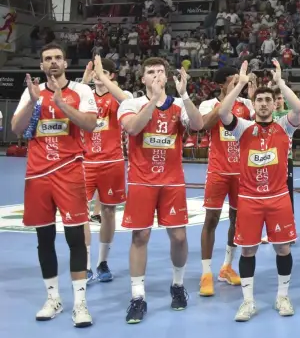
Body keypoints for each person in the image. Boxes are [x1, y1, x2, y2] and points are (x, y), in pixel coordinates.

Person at [10, 43, 98, 327]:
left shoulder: (81, 91)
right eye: (47, 59)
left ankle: (80, 304)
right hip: (37, 175)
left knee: (75, 240)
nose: (53, 62)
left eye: (58, 58)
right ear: (41, 65)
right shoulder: (31, 91)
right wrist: (35, 102)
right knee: (44, 239)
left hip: (69, 171)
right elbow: (16, 128)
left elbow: (90, 124)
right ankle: (53, 299)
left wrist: (61, 105)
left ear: (65, 62)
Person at [118, 57, 205, 323]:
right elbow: (133, 128)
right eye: (150, 72)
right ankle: (137, 297)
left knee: (179, 237)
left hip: (172, 181)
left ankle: (178, 286)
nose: (156, 75)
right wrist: (154, 101)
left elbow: (199, 125)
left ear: (167, 76)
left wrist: (185, 95)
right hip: (142, 181)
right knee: (140, 236)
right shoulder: (131, 103)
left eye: (160, 71)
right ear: (142, 78)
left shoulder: (179, 105)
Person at [219, 61, 300, 322]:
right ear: (253, 104)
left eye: (269, 100)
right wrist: (242, 84)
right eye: (260, 100)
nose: (264, 104)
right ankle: (248, 302)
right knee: (247, 251)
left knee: (283, 250)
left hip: (278, 198)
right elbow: (223, 112)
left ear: (275, 103)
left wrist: (281, 84)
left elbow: (298, 108)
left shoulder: (284, 126)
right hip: (250, 199)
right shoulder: (243, 128)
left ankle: (282, 296)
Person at [197, 67, 254, 296]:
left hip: (241, 171)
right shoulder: (207, 105)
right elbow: (204, 125)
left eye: (238, 82)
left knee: (236, 219)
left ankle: (227, 266)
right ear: (221, 85)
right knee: (211, 219)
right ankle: (205, 273)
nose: (236, 85)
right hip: (218, 171)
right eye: (232, 82)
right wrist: (228, 98)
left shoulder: (247, 105)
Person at [81, 55, 131, 284]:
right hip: (85, 162)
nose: (96, 77)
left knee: (109, 212)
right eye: (94, 73)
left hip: (112, 162)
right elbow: (71, 102)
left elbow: (127, 100)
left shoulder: (120, 97)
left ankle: (103, 262)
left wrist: (103, 78)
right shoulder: (85, 94)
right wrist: (84, 83)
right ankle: (86, 265)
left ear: (111, 75)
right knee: (81, 213)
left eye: (102, 72)